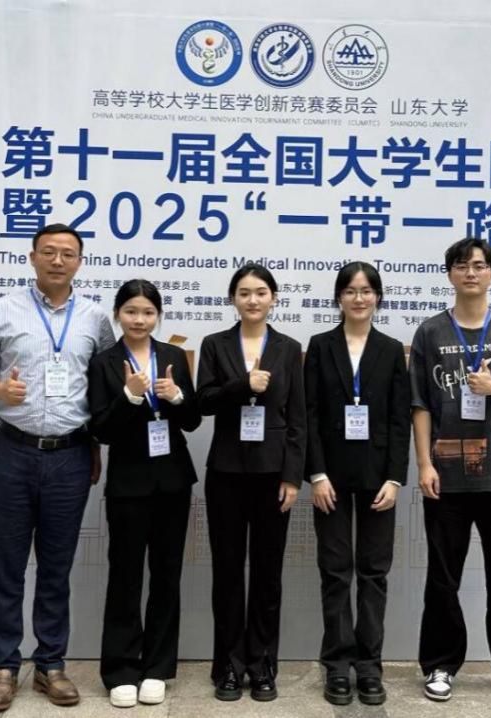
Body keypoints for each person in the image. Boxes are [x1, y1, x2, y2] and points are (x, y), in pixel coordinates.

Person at [0, 223, 114, 713]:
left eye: (68, 253)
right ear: (31, 257)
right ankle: (4, 668)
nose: (57, 260)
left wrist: (94, 445)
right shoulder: (4, 309)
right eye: (48, 251)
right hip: (13, 451)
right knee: (7, 565)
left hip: (71, 454)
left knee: (56, 566)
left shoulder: (95, 319)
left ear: (79, 262)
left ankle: (51, 664)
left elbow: (103, 386)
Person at [410, 237, 491, 705]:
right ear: (450, 273)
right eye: (462, 265)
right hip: (445, 476)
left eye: (480, 265)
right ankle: (440, 665)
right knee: (442, 576)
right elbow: (420, 404)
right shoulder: (430, 333)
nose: (471, 272)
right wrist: (424, 463)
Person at [88, 279, 201, 708]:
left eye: (148, 312)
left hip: (173, 480)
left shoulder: (172, 356)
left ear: (158, 316)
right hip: (128, 482)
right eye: (131, 311)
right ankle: (120, 668)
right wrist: (130, 396)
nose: (139, 320)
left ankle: (157, 667)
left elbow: (192, 421)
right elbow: (101, 429)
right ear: (118, 314)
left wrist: (177, 396)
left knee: (167, 575)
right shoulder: (104, 362)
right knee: (125, 575)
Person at [196, 263, 306, 702]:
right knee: (226, 573)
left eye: (261, 292)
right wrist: (243, 384)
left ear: (273, 298)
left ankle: (262, 666)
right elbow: (204, 402)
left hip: (272, 475)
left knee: (267, 574)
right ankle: (227, 665)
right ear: (233, 299)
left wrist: (293, 477)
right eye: (244, 293)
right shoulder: (215, 344)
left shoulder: (289, 348)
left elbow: (297, 419)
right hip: (225, 472)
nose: (253, 300)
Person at [303, 262, 410, 706]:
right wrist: (316, 474)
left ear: (378, 297)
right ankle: (336, 665)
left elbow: (400, 418)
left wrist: (395, 478)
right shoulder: (320, 345)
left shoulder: (391, 349)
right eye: (350, 290)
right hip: (329, 476)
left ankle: (369, 666)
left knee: (373, 573)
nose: (359, 298)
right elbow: (308, 414)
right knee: (334, 572)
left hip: (377, 478)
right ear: (339, 297)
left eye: (366, 290)